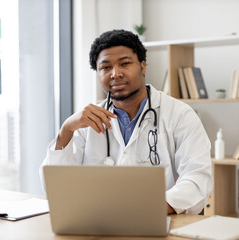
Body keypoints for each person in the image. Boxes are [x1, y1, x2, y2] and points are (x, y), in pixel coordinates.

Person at [40, 29, 213, 215]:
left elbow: (197, 179)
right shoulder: (86, 122)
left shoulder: (180, 115)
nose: (115, 74)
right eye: (106, 67)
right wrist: (66, 129)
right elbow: (56, 188)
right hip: (100, 223)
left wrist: (149, 210)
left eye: (125, 63)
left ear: (143, 66)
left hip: (160, 222)